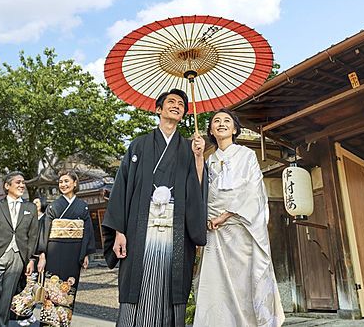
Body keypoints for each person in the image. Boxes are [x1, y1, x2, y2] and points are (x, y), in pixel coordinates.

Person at [102, 88, 207, 327]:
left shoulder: (189, 148)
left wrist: (199, 158)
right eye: (171, 102)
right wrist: (119, 231)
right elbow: (122, 189)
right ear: (158, 109)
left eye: (181, 104)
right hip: (140, 229)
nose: (177, 106)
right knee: (138, 284)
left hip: (175, 229)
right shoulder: (138, 146)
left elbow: (197, 189)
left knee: (172, 285)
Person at [193, 109, 285, 326]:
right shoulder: (209, 160)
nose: (221, 124)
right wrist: (198, 156)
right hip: (215, 232)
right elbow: (200, 192)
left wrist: (226, 214)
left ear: (235, 129)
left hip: (241, 229)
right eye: (216, 121)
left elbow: (253, 190)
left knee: (244, 283)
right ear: (211, 130)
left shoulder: (246, 155)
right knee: (216, 286)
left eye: (227, 121)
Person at [0, 171, 40, 327]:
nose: (22, 185)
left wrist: (31, 259)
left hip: (18, 259)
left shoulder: (30, 207)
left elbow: (33, 236)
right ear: (7, 185)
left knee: (6, 300)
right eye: (18, 182)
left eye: (23, 183)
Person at [36, 170, 94, 326]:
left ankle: (63, 323)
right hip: (54, 249)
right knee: (52, 288)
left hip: (74, 252)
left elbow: (87, 231)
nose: (63, 184)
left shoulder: (83, 207)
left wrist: (86, 253)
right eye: (61, 182)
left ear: (75, 183)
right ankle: (48, 323)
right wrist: (42, 254)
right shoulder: (53, 206)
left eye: (67, 181)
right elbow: (45, 230)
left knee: (69, 288)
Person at [14, 196, 48, 327]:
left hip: (43, 255)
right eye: (33, 202)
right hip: (30, 255)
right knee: (28, 287)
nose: (35, 204)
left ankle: (28, 313)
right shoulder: (29, 219)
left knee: (37, 287)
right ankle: (23, 314)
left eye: (37, 202)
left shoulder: (46, 219)